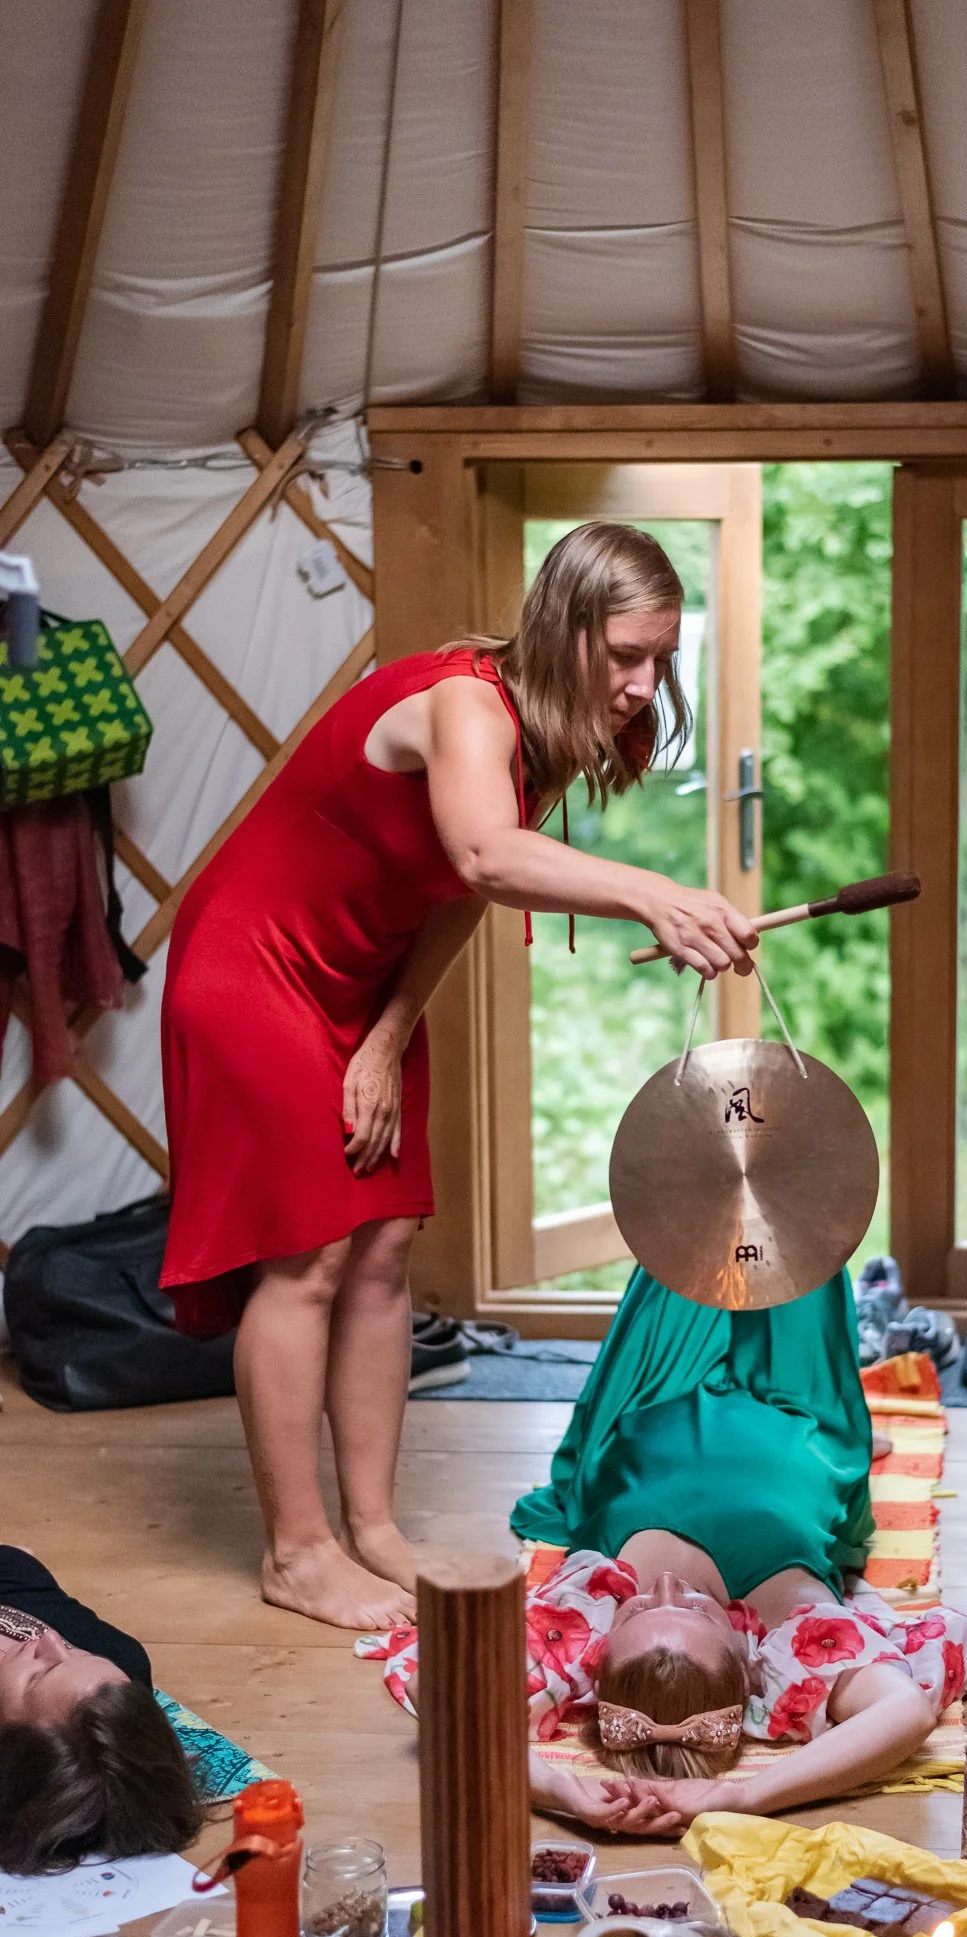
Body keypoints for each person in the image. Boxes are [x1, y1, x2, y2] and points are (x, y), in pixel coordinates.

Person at [160, 525, 758, 1633]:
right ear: (566, 628)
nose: (643, 684)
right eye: (625, 654)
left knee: (385, 1243)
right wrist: (652, 893)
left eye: (661, 659)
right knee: (310, 1254)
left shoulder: (546, 729)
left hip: (360, 983)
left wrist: (388, 1032)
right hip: (251, 964)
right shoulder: (464, 707)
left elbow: (451, 892)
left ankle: (373, 1527)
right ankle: (297, 1549)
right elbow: (485, 855)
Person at [370, 1266, 967, 1833]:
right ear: (750, 1665)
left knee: (693, 1236)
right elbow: (904, 1714)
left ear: (597, 1655)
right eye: (692, 1608)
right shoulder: (794, 1635)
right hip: (791, 1410)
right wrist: (745, 1797)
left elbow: (438, 1685)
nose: (663, 1587)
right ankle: (844, 1430)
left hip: (651, 1396)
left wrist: (560, 1790)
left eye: (636, 1611)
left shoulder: (581, 1620)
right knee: (792, 1245)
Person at [0, 1547, 203, 1875]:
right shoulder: (117, 1654)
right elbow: (16, 1566)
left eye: (38, 1675)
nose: (50, 1640)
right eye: (78, 1654)